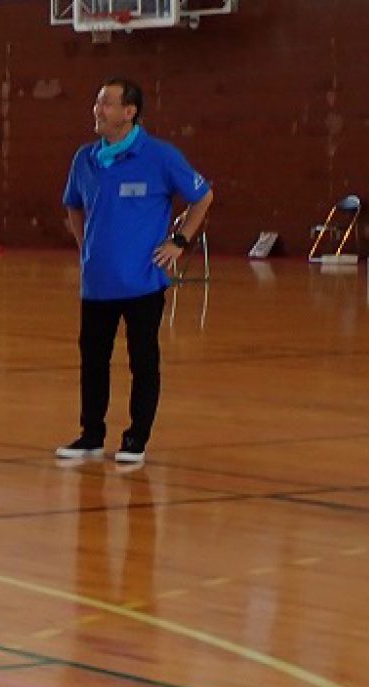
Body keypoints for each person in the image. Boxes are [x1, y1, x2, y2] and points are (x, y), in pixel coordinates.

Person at [55, 77, 213, 466]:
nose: (98, 110)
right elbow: (73, 205)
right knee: (93, 360)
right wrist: (84, 246)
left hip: (142, 283)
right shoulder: (84, 159)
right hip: (97, 283)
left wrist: (180, 240)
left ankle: (135, 439)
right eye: (97, 102)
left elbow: (202, 195)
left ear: (130, 112)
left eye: (106, 104)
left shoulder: (160, 156)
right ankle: (91, 435)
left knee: (142, 360)